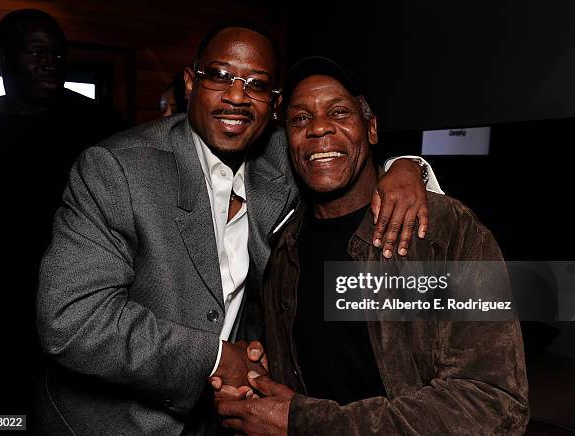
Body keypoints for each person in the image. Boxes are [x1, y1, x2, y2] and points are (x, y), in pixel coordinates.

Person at [36, 26, 441, 434]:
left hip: (227, 421)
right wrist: (216, 358)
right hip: (114, 424)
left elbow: (335, 148)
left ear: (273, 104)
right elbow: (70, 320)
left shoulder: (280, 160)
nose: (236, 96)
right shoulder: (117, 170)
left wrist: (406, 167)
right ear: (191, 82)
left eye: (257, 85)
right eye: (220, 75)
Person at [214, 57, 529, 435]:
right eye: (300, 119)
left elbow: (493, 403)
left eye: (339, 111)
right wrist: (257, 384)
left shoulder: (448, 231)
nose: (319, 128)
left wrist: (305, 423)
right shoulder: (282, 250)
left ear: (372, 128)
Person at [0, 8, 124, 417]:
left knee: (69, 412)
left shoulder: (98, 123)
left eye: (57, 53)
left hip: (81, 302)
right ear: (2, 57)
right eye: (37, 51)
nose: (51, 62)